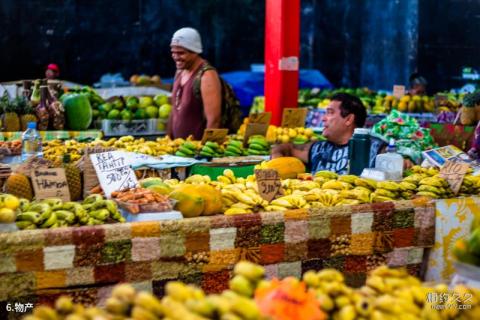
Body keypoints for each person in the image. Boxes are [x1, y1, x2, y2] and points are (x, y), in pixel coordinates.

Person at [271, 93, 386, 175]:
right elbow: (285, 147)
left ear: (349, 119)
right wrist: (277, 160)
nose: (323, 118)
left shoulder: (375, 150)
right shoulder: (318, 149)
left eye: (330, 113)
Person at [167, 27, 222, 140]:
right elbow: (174, 110)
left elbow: (214, 120)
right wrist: (167, 139)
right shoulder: (180, 71)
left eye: (181, 53)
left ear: (195, 52)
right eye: (173, 53)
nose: (176, 57)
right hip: (178, 150)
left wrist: (205, 152)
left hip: (195, 152)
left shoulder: (207, 76)